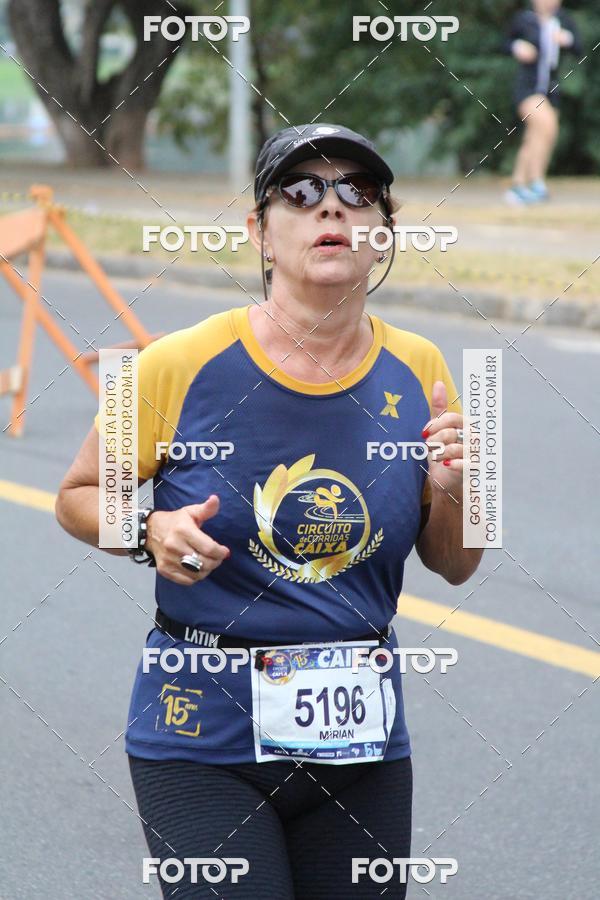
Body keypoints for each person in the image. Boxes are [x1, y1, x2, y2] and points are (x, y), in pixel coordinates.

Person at [55, 122, 484, 898]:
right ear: (259, 231)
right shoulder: (171, 362)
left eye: (359, 192)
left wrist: (458, 491)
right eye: (303, 191)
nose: (333, 208)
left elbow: (457, 565)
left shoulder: (424, 369)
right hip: (200, 738)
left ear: (384, 234)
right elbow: (76, 496)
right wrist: (147, 531)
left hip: (360, 747)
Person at [503, 0, 582, 205]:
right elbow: (503, 43)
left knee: (538, 136)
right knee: (547, 124)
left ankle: (519, 185)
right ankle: (536, 181)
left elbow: (578, 47)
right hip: (527, 88)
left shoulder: (562, 20)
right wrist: (517, 46)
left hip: (551, 89)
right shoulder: (524, 20)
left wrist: (567, 39)